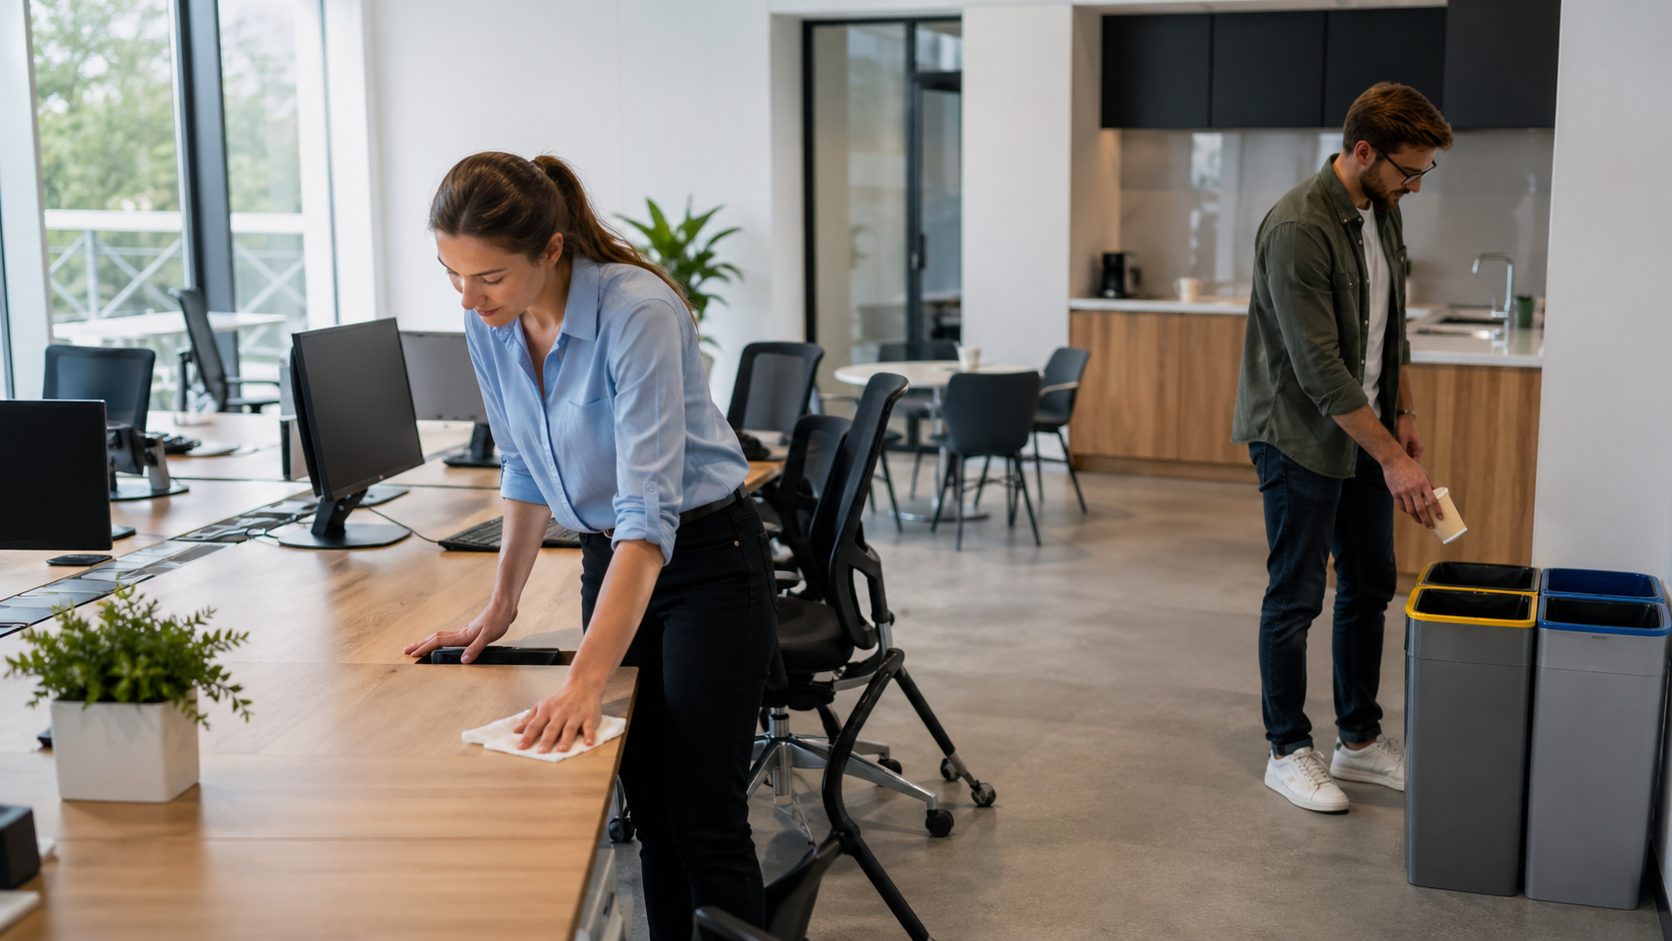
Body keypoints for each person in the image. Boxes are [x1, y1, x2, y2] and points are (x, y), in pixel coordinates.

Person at [403, 152, 778, 937]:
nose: (468, 299)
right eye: (451, 274)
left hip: (707, 561)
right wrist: (498, 606)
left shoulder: (636, 312)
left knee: (706, 812)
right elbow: (523, 464)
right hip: (615, 560)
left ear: (550, 249)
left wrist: (583, 678)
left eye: (489, 278)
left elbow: (649, 515)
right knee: (646, 807)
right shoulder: (493, 325)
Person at [1231, 83, 1453, 814]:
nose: (1415, 185)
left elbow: (1390, 330)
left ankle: (1356, 741)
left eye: (1423, 171)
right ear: (1363, 151)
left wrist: (1404, 412)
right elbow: (1319, 368)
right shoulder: (1299, 228)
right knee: (1296, 592)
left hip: (1365, 423)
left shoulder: (1380, 211)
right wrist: (1394, 457)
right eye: (1407, 170)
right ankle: (1287, 750)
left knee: (1371, 581)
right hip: (1298, 431)